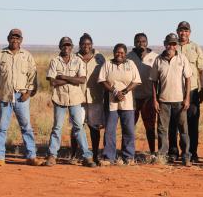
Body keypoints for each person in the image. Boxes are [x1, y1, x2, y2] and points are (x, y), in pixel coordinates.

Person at [45, 36, 96, 167]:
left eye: (68, 45)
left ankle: (87, 157)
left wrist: (63, 77)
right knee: (57, 127)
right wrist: (71, 79)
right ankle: (52, 155)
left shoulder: (77, 61)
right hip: (59, 98)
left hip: (75, 99)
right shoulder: (54, 61)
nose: (66, 48)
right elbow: (53, 82)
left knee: (78, 127)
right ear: (60, 47)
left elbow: (82, 80)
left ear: (72, 47)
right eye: (64, 45)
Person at [0, 29, 42, 166]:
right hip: (5, 96)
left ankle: (31, 157)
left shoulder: (27, 56)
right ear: (8, 38)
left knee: (26, 127)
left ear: (21, 40)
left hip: (21, 96)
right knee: (1, 128)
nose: (15, 40)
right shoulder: (0, 55)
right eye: (12, 37)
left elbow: (32, 77)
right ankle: (0, 157)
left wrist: (28, 94)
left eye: (17, 38)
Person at [150, 33, 192, 167]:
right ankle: (163, 155)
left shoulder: (182, 58)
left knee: (183, 130)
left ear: (176, 45)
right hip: (163, 101)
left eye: (174, 44)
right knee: (162, 129)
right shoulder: (158, 60)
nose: (171, 46)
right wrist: (155, 100)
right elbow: (154, 81)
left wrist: (187, 98)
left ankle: (186, 156)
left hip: (179, 101)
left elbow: (188, 79)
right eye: (169, 43)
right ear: (165, 44)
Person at [98, 43, 141, 166]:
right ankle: (108, 157)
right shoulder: (107, 64)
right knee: (110, 130)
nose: (119, 54)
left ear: (125, 54)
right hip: (111, 102)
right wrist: (115, 91)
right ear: (113, 52)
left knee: (129, 130)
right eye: (117, 52)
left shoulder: (130, 64)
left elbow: (136, 81)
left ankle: (128, 157)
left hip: (127, 102)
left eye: (122, 53)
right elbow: (102, 80)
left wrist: (125, 91)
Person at [169, 21, 203, 163]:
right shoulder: (172, 46)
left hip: (193, 90)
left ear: (189, 32)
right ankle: (173, 152)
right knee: (173, 123)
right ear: (177, 32)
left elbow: (201, 70)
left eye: (186, 31)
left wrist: (202, 89)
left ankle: (191, 152)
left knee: (192, 122)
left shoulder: (195, 48)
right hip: (175, 91)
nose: (183, 33)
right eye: (181, 30)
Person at [70, 33, 106, 165]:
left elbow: (105, 75)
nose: (86, 46)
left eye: (89, 44)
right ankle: (73, 154)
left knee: (94, 128)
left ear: (92, 45)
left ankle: (95, 155)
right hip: (77, 98)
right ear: (79, 45)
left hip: (95, 98)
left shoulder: (100, 58)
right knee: (76, 127)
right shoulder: (74, 57)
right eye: (84, 44)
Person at [127, 33, 158, 156]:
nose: (141, 44)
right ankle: (128, 152)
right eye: (138, 41)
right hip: (132, 98)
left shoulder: (155, 57)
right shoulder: (129, 57)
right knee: (129, 126)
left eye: (143, 41)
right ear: (134, 43)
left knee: (150, 128)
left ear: (147, 42)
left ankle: (152, 152)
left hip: (149, 97)